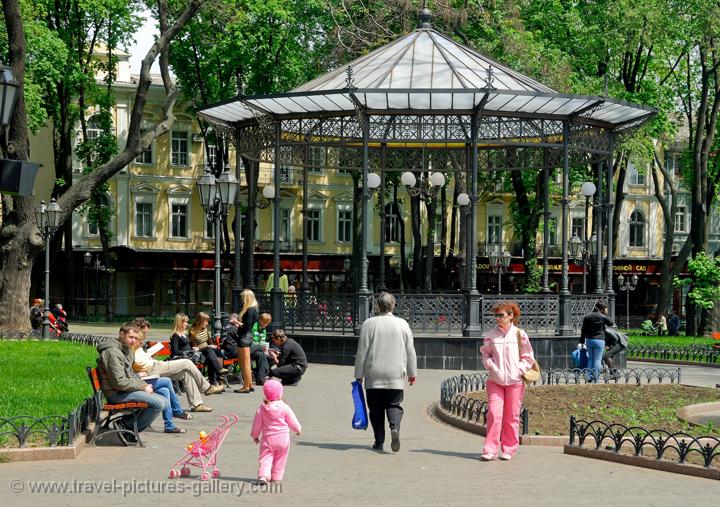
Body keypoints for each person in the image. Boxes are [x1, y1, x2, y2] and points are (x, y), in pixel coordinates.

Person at [354, 292, 417, 453]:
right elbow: (410, 351)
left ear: (378, 306)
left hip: (374, 375)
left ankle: (379, 441)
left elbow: (362, 351)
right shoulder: (402, 324)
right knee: (394, 404)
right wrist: (412, 373)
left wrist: (358, 375)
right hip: (395, 375)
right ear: (393, 306)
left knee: (375, 409)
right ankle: (394, 428)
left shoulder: (369, 324)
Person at [479, 301, 535, 461]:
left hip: (515, 382)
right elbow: (485, 355)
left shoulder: (520, 334)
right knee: (494, 414)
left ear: (511, 316)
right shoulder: (490, 335)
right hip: (495, 381)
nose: (497, 318)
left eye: (501, 315)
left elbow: (528, 356)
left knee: (512, 416)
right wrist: (490, 366)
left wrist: (519, 370)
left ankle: (509, 449)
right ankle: (490, 449)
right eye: (496, 315)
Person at [132, 316, 220, 414]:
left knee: (186, 374)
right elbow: (132, 362)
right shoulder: (131, 343)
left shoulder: (137, 343)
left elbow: (139, 358)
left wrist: (148, 355)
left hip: (155, 365)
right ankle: (207, 387)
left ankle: (197, 404)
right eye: (144, 333)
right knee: (187, 363)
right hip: (151, 369)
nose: (144, 336)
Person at [96, 322, 166, 438]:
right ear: (121, 334)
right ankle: (127, 426)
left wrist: (144, 384)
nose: (133, 341)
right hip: (116, 394)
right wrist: (143, 387)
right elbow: (120, 382)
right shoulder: (113, 352)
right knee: (159, 403)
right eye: (131, 337)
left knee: (163, 400)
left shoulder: (125, 349)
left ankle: (127, 424)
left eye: (135, 338)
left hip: (123, 391)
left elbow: (131, 375)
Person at [250, 379, 302, 485]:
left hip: (268, 439)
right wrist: (298, 429)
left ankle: (263, 476)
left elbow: (257, 425)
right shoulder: (284, 407)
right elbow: (292, 420)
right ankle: (276, 477)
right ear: (280, 394)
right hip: (283, 438)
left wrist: (255, 436)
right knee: (281, 458)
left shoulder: (262, 408)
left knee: (265, 457)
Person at [188, 312, 227, 389]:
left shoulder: (205, 329)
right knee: (209, 350)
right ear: (200, 321)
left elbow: (210, 341)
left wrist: (212, 345)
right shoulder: (192, 332)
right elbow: (194, 347)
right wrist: (208, 346)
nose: (207, 323)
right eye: (206, 321)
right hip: (200, 352)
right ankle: (219, 373)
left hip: (209, 353)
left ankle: (214, 382)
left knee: (216, 352)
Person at [579, 301, 614, 382]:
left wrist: (581, 341)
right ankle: (595, 377)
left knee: (591, 359)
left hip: (589, 340)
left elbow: (583, 329)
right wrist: (606, 314)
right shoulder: (602, 316)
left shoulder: (588, 316)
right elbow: (611, 323)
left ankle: (589, 377)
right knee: (597, 360)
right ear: (602, 309)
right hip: (599, 340)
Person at [235, 289, 259, 394]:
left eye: (243, 298)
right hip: (248, 337)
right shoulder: (254, 309)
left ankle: (246, 386)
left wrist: (236, 322)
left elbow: (246, 326)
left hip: (244, 337)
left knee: (244, 364)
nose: (242, 300)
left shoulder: (249, 310)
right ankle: (249, 384)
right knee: (246, 363)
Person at [250, 313, 272, 386]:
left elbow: (263, 341)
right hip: (252, 349)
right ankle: (262, 377)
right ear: (260, 320)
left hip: (259, 350)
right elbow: (253, 339)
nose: (265, 325)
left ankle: (261, 377)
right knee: (261, 355)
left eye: (267, 323)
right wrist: (260, 345)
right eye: (264, 323)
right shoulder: (254, 326)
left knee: (266, 356)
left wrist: (264, 346)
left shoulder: (264, 330)